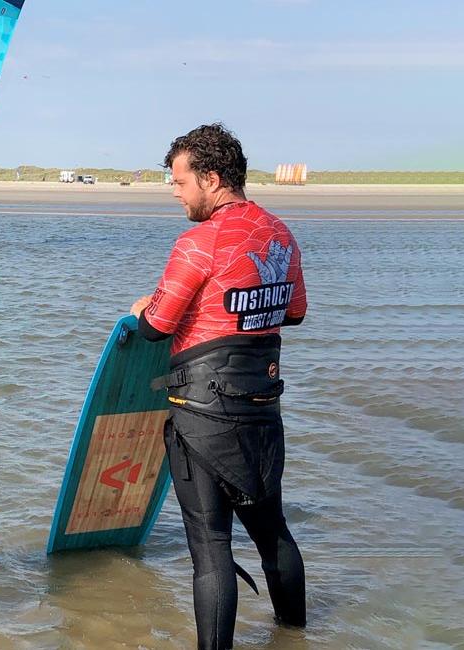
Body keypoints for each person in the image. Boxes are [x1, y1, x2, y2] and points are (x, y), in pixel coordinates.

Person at [130, 124, 308, 648]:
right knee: (273, 534)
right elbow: (294, 311)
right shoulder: (280, 233)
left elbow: (157, 325)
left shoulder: (197, 243)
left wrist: (142, 308)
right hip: (262, 411)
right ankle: (295, 634)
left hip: (202, 414)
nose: (175, 192)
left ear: (210, 179)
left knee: (211, 550)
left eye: (180, 181)